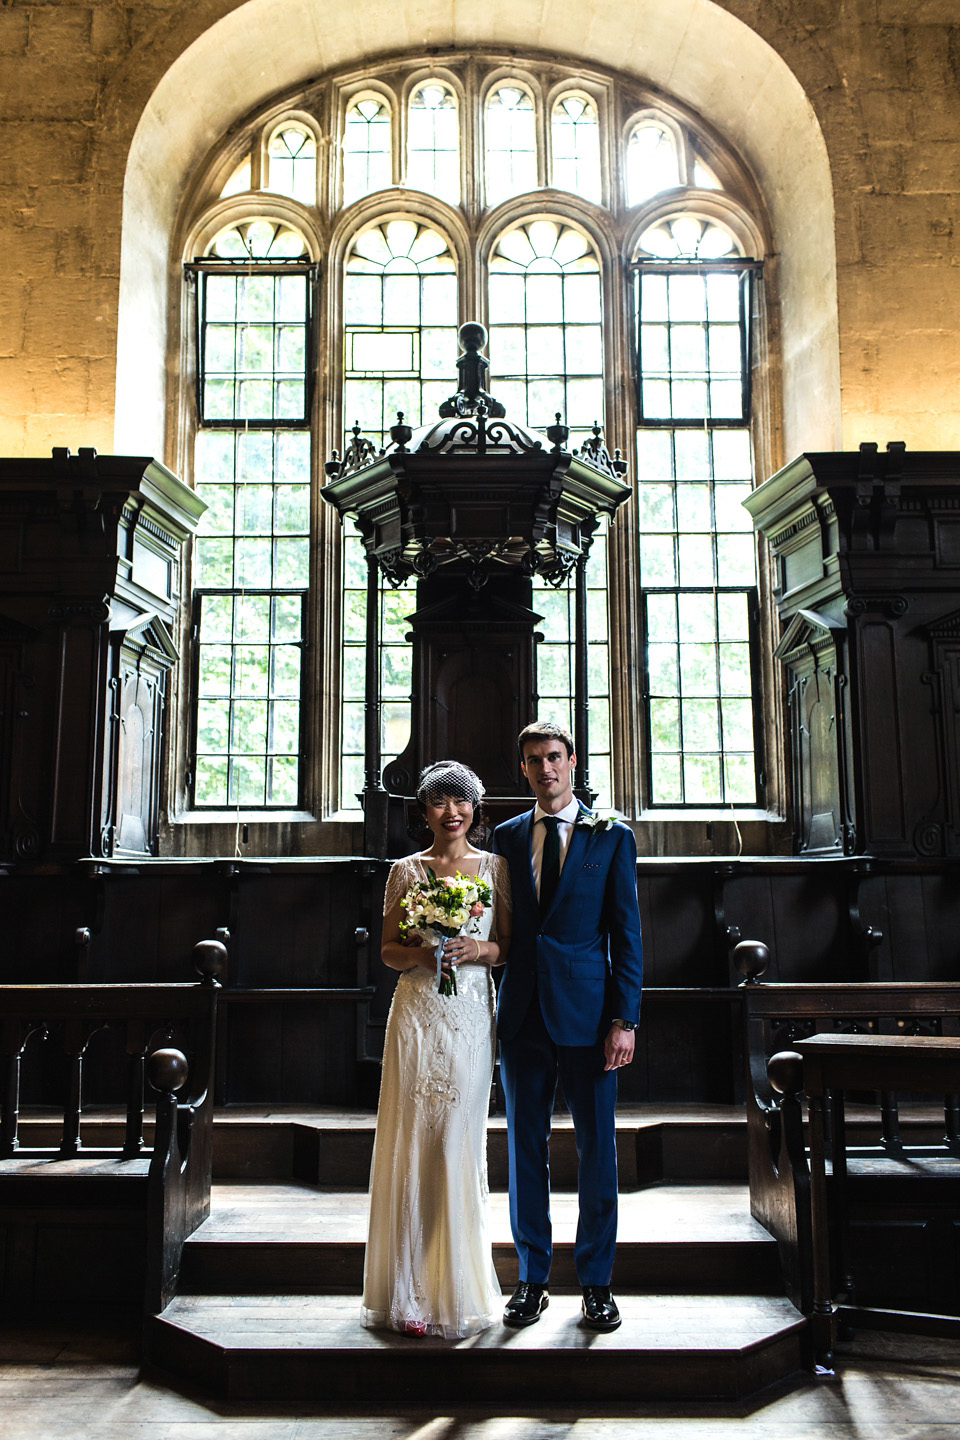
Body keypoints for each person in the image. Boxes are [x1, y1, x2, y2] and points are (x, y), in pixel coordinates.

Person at [493, 720, 643, 1332]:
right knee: (524, 1148)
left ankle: (596, 1282)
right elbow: (495, 928)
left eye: (554, 757)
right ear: (523, 768)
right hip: (522, 1012)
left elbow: (628, 935)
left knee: (595, 1148)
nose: (545, 769)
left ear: (572, 760)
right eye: (533, 760)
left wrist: (624, 1019)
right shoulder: (502, 838)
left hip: (590, 1013)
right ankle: (532, 1278)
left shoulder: (612, 837)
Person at [361, 760, 512, 1338]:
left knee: (455, 1141)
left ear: (476, 810)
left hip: (470, 1013)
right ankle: (410, 1293)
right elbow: (390, 951)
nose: (453, 813)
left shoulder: (496, 868)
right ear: (423, 812)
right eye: (440, 803)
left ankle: (457, 1287)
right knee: (413, 1139)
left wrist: (477, 949)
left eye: (463, 802)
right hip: (417, 1013)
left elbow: (508, 947)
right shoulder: (405, 871)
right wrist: (426, 955)